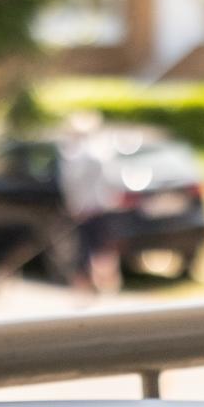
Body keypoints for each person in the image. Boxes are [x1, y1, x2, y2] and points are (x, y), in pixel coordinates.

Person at [59, 112, 124, 297]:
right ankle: (97, 283)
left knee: (90, 248)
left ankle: (95, 283)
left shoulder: (76, 155)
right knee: (97, 247)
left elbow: (72, 184)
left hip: (90, 208)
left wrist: (76, 206)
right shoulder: (97, 152)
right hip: (96, 207)